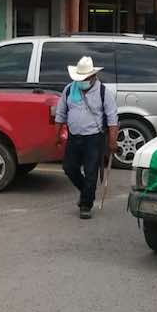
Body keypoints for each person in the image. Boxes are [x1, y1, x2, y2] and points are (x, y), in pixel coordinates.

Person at [54, 55, 119, 219]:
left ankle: (86, 205)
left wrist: (112, 141)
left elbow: (112, 118)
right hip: (74, 136)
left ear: (93, 76)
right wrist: (56, 135)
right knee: (69, 168)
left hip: (94, 138)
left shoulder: (103, 92)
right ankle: (86, 192)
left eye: (84, 78)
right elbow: (60, 113)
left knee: (91, 172)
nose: (81, 81)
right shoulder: (69, 89)